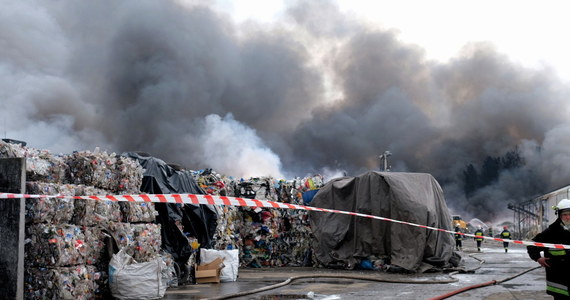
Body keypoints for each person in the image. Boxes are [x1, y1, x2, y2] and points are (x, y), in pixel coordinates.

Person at [527, 199, 570, 300]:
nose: (568, 217)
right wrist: (537, 258)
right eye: (565, 214)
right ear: (559, 215)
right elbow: (531, 245)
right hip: (558, 280)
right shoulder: (551, 232)